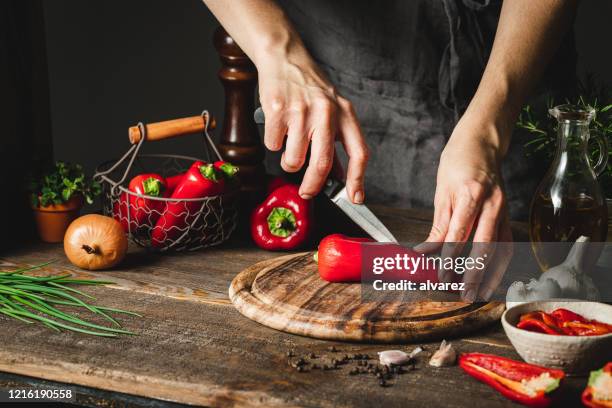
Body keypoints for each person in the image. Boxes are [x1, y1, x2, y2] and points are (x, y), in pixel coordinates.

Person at [202, 0, 578, 301]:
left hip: (516, 74)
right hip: (343, 76)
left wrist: (490, 126)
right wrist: (279, 53)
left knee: (528, 280)